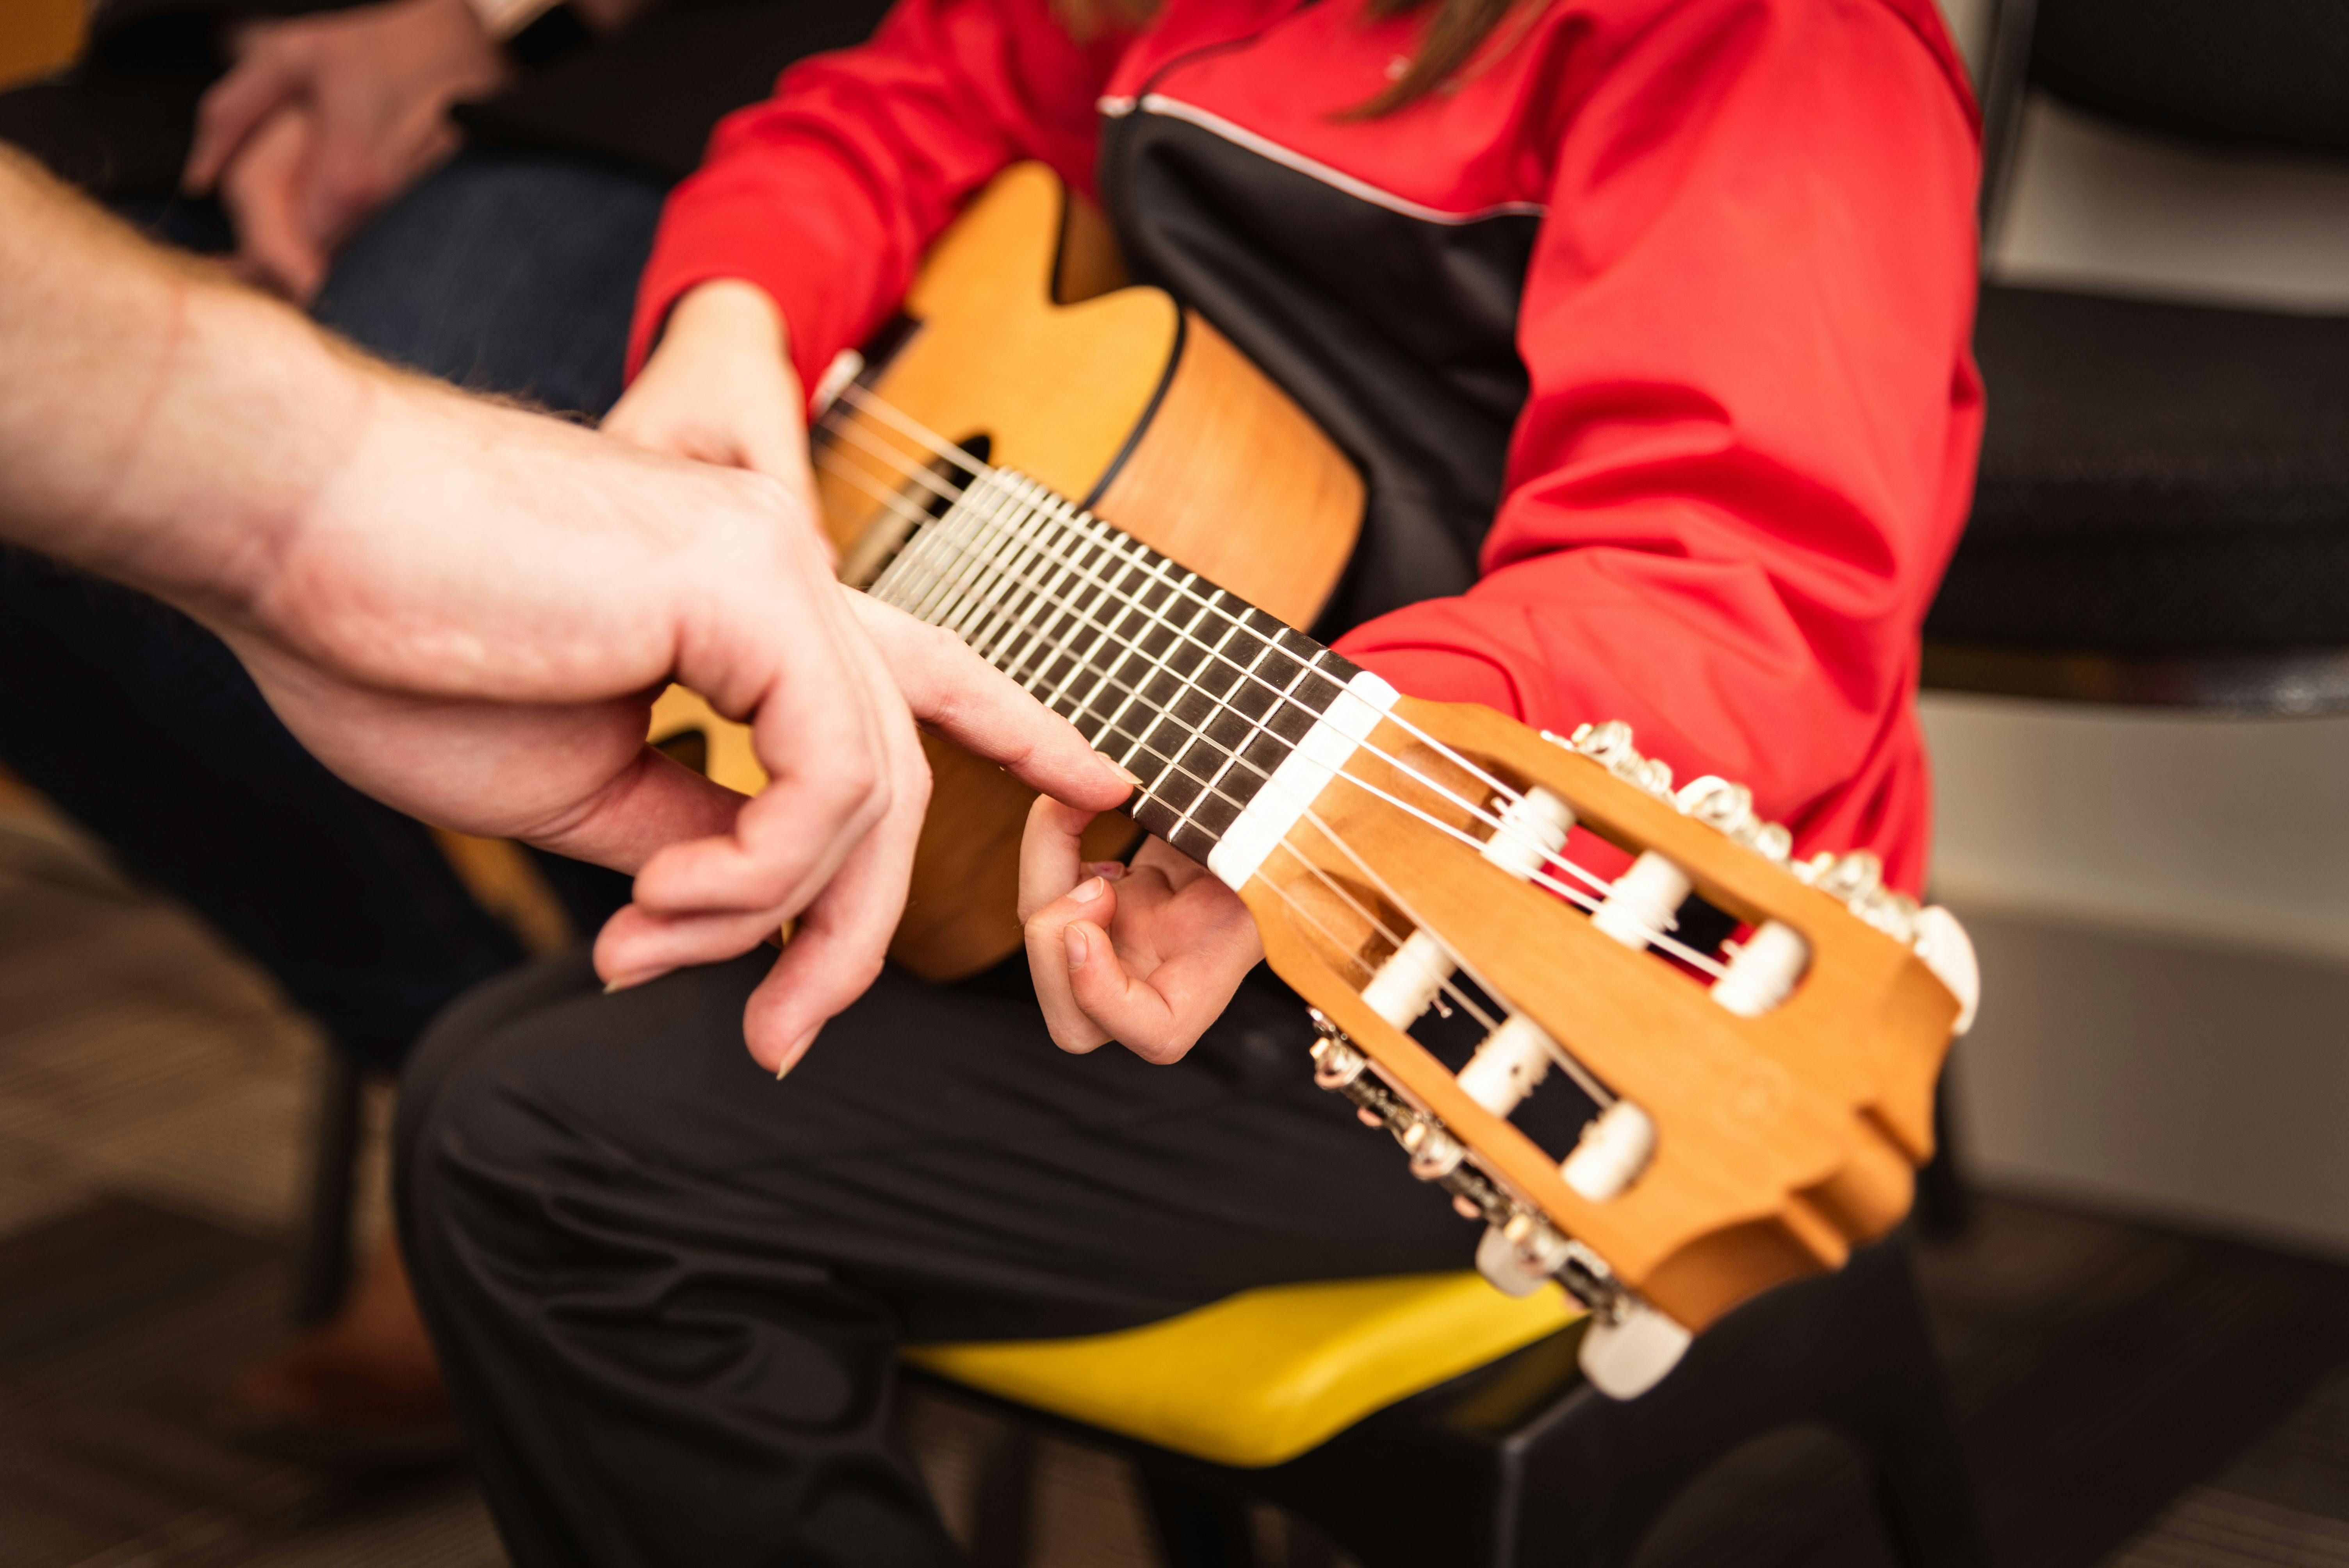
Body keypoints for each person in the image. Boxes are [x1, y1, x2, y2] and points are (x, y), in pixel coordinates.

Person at [393, 0, 1985, 1561]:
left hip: (1507, 967)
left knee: (539, 1156)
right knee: (485, 1058)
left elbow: (1728, 580)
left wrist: (1346, 758)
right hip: (1185, 842)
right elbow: (903, 96)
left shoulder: (1778, 32)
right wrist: (735, 314)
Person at [0, 0, 886, 1440]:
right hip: (242, 54)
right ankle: (461, 1051)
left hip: (659, 58)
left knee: (439, 353)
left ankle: (703, 1121)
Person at [0, 121, 1131, 1218]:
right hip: (209, 98)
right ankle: (470, 1075)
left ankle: (609, 1153)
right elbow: (922, 83)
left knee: (426, 338)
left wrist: (307, 505)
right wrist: (735, 307)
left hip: (619, 84)